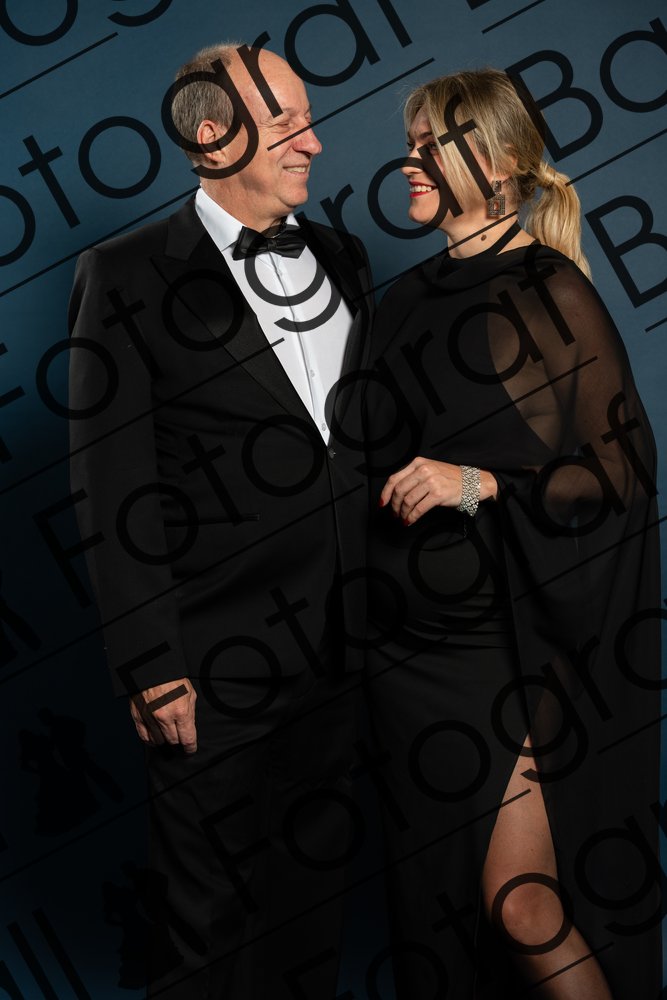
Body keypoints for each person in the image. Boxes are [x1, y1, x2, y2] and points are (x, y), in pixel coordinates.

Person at [68, 42, 373, 999]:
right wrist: (152, 666)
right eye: (287, 121)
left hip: (347, 646)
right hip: (211, 661)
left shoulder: (343, 256)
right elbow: (109, 481)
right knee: (204, 932)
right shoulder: (124, 274)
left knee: (311, 913)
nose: (314, 142)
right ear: (212, 135)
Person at [363, 68, 660, 998]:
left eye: (431, 146)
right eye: (409, 144)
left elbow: (620, 470)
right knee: (445, 919)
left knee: (522, 903)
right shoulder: (401, 299)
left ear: (495, 164)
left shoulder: (547, 290)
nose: (408, 163)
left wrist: (484, 482)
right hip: (404, 658)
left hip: (509, 645)